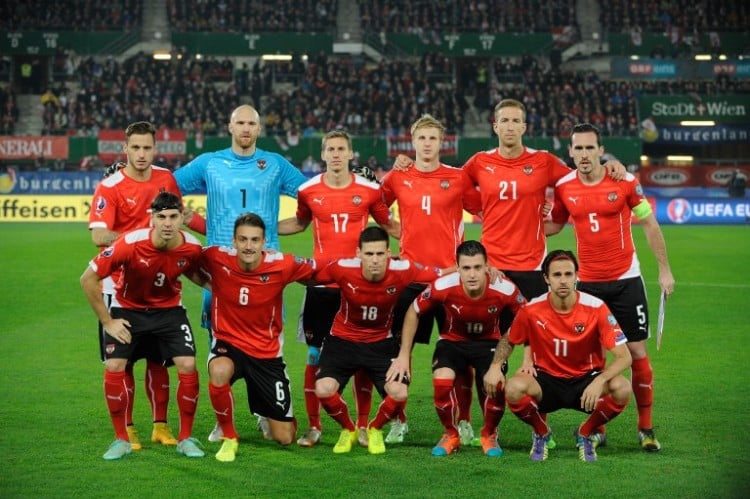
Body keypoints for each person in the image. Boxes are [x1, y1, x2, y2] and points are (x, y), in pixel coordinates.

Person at [174, 104, 307, 442]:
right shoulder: (209, 162)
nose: (246, 128)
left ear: (259, 129)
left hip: (266, 270)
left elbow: (310, 195)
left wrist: (274, 233)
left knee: (266, 337)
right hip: (220, 270)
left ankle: (266, 412)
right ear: (230, 127)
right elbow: (168, 186)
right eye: (240, 123)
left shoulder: (275, 164)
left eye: (252, 123)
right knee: (218, 341)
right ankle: (224, 420)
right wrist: (195, 221)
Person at [546, 123, 675, 452]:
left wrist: (664, 270)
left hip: (626, 281)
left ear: (601, 150)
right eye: (579, 148)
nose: (585, 154)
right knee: (592, 360)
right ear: (571, 151)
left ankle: (645, 428)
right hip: (586, 285)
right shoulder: (563, 186)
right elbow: (554, 225)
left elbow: (648, 222)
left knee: (636, 354)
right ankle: (597, 426)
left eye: (591, 148)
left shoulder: (625, 181)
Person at [277, 130, 399, 448]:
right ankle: (315, 427)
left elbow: (389, 226)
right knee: (314, 356)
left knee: (362, 357)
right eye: (330, 149)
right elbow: (299, 223)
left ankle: (361, 425)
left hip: (358, 288)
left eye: (340, 149)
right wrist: (265, 229)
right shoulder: (308, 191)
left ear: (350, 154)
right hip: (321, 286)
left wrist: (428, 235)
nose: (335, 154)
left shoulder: (370, 191)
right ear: (323, 154)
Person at [88, 121, 204, 452]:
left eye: (147, 148)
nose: (141, 154)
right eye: (135, 147)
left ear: (155, 149)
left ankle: (160, 426)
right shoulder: (110, 186)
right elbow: (98, 236)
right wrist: (140, 244)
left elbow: (179, 218)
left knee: (159, 362)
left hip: (161, 285)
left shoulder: (165, 179)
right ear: (125, 149)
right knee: (122, 362)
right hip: (117, 287)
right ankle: (127, 429)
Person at [381, 114, 483, 445]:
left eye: (433, 139)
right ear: (413, 142)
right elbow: (375, 205)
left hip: (450, 277)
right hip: (410, 276)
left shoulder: (457, 178)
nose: (427, 144)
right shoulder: (398, 176)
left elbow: (488, 209)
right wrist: (395, 233)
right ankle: (399, 419)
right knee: (399, 351)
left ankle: (464, 420)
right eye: (421, 138)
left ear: (442, 143)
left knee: (461, 353)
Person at [484, 250, 632, 462]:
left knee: (623, 388)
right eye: (557, 275)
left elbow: (625, 357)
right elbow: (509, 338)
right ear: (546, 278)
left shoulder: (596, 308)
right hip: (546, 381)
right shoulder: (532, 308)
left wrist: (600, 380)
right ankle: (541, 432)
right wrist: (496, 366)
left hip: (586, 381)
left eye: (568, 274)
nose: (563, 280)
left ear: (576, 276)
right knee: (514, 388)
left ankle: (586, 433)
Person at [312, 226, 447, 455]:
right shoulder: (341, 268)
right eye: (369, 254)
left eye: (379, 254)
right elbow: (306, 276)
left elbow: (442, 274)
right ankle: (349, 429)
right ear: (358, 254)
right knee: (323, 389)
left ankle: (374, 429)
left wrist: (484, 270)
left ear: (389, 253)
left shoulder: (404, 269)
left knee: (399, 392)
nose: (374, 260)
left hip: (381, 344)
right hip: (342, 340)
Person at [195, 213, 318, 462]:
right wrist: (210, 285)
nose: (248, 246)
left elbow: (321, 270)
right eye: (243, 240)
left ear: (264, 242)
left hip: (266, 354)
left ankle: (267, 409)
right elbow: (184, 259)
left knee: (284, 437)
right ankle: (228, 433)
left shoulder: (282, 264)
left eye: (254, 240)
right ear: (234, 241)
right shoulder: (216, 256)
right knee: (218, 370)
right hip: (228, 344)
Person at [388, 240, 525, 457]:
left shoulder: (504, 288)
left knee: (496, 384)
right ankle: (451, 434)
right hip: (452, 341)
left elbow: (527, 318)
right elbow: (414, 311)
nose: (472, 274)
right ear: (457, 268)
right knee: (441, 380)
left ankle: (489, 434)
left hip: (488, 343)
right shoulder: (443, 285)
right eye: (466, 268)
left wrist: (509, 361)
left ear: (487, 266)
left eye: (478, 267)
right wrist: (404, 354)